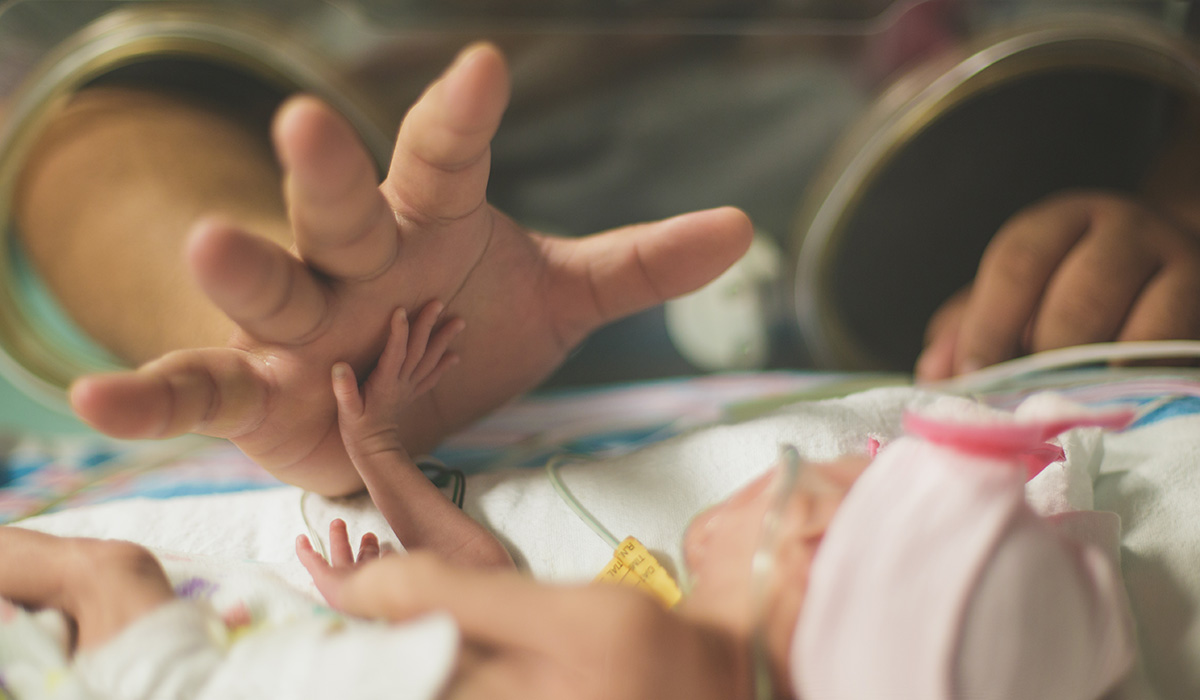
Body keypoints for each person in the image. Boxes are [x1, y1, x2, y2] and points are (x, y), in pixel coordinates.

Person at [0, 395, 1136, 700]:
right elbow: (497, 593)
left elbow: (436, 590)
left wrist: (378, 582)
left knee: (109, 577)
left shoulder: (634, 629)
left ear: (803, 535)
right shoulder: (674, 654)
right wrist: (389, 465)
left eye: (807, 467)